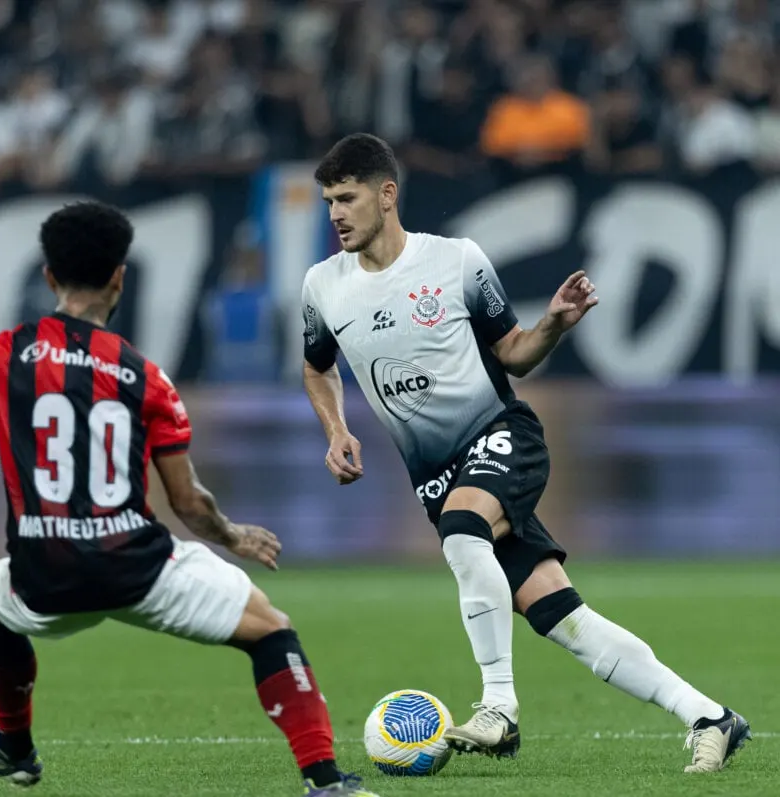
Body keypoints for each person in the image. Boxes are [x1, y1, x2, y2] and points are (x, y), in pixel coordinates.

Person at [0, 201, 380, 797]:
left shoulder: (2, 355)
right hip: (137, 569)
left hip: (43, 576)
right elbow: (188, 502)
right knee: (270, 630)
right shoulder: (146, 375)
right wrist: (232, 536)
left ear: (48, 277)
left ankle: (13, 745)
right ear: (119, 277)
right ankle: (324, 781)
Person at [300, 133, 750, 774]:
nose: (336, 214)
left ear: (387, 195)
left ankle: (499, 709)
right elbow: (317, 368)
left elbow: (512, 351)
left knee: (463, 530)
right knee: (561, 616)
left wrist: (553, 327)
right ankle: (711, 717)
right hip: (436, 474)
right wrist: (336, 429)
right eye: (328, 202)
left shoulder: (455, 262)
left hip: (502, 436)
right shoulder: (323, 286)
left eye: (346, 198)